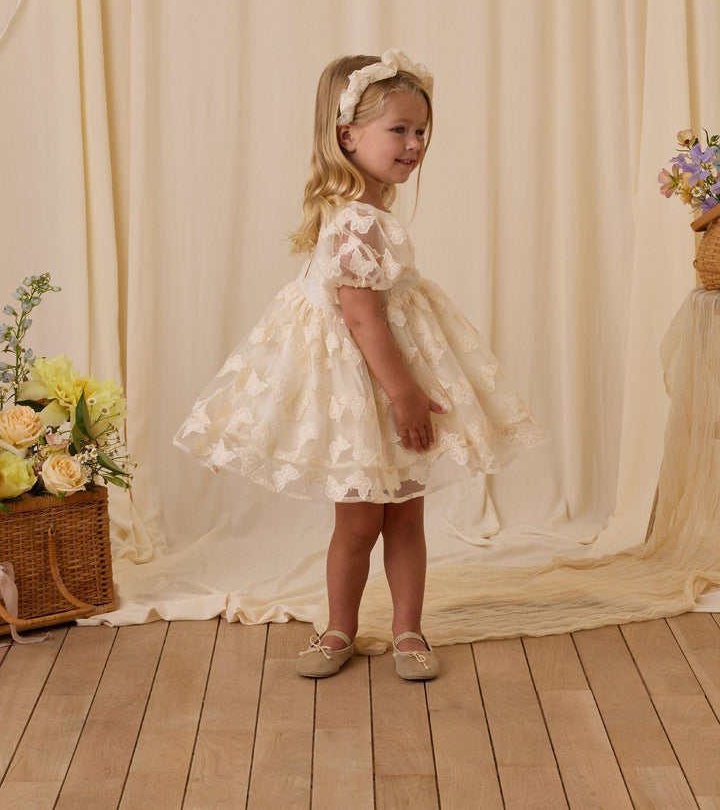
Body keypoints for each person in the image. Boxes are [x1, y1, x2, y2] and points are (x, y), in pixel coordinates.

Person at [174, 50, 547, 680]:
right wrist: (404, 395)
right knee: (358, 522)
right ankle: (338, 629)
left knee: (406, 513)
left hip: (387, 373)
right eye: (397, 130)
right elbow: (361, 318)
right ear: (347, 136)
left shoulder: (368, 211)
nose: (414, 144)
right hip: (367, 384)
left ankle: (408, 631)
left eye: (421, 130)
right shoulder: (356, 221)